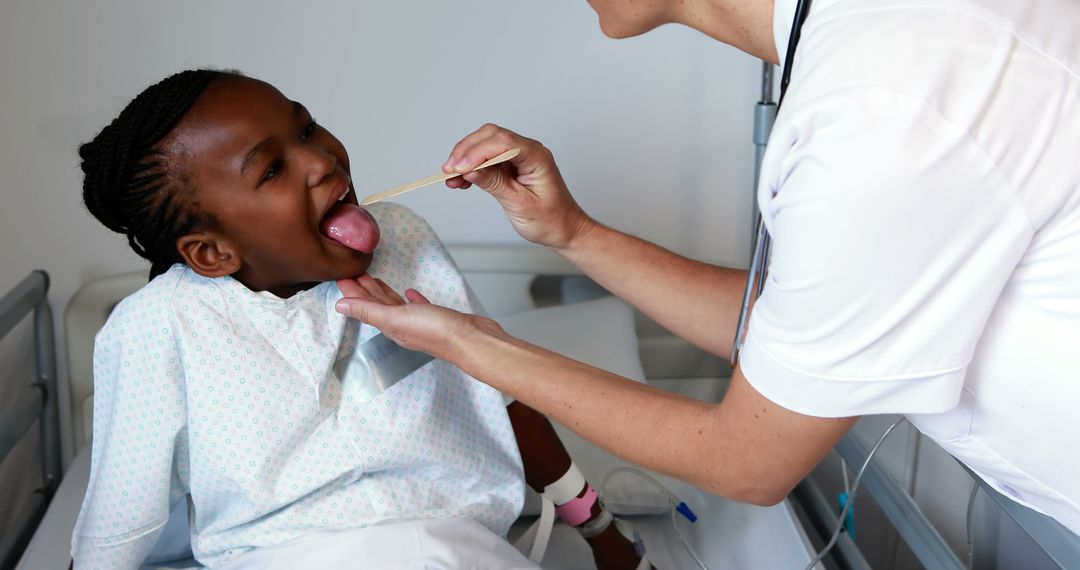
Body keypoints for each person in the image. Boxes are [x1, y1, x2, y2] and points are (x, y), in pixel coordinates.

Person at [335, 0, 1080, 538]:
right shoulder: (885, 48)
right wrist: (572, 233)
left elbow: (748, 464)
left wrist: (467, 343)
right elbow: (793, 337)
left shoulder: (882, 107)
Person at [71, 69, 646, 569]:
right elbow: (122, 512)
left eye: (306, 128)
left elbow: (499, 393)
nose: (321, 161)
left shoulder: (402, 238)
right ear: (212, 253)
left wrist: (601, 531)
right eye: (272, 170)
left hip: (454, 547)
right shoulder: (159, 325)